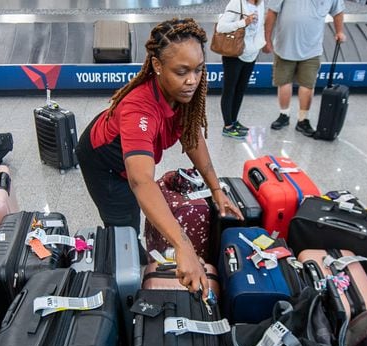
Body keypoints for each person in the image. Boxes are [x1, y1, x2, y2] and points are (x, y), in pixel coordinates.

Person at [75, 18, 244, 294]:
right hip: (103, 163)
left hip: (128, 150)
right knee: (125, 224)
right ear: (157, 66)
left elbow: (191, 136)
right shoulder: (138, 109)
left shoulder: (183, 93)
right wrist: (183, 246)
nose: (192, 80)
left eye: (199, 69)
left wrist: (216, 189)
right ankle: (129, 271)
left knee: (142, 206)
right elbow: (141, 181)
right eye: (182, 71)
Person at [263, 0, 346, 136]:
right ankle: (284, 115)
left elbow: (338, 12)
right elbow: (272, 11)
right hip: (285, 46)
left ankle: (303, 120)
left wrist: (339, 31)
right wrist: (267, 38)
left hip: (312, 48)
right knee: (284, 82)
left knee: (307, 85)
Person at [217, 0, 266, 139]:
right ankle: (227, 126)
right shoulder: (236, 3)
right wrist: (244, 22)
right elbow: (221, 27)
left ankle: (234, 120)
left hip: (251, 53)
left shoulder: (260, 4)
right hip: (234, 53)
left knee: (241, 89)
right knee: (229, 89)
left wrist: (261, 43)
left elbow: (260, 25)